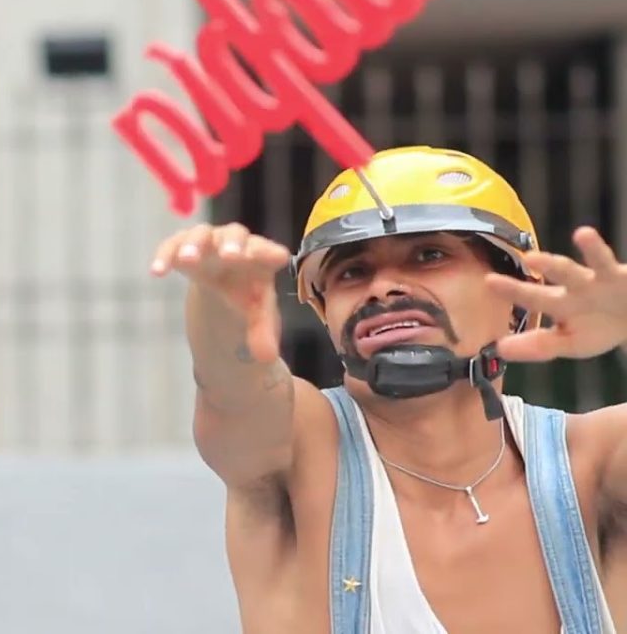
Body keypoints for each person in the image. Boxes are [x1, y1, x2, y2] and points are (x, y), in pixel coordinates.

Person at [150, 146, 627, 633]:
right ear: (325, 311)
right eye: (353, 272)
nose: (384, 289)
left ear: (519, 296)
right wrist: (218, 300)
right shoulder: (304, 452)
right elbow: (232, 391)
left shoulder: (596, 463)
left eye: (429, 256)